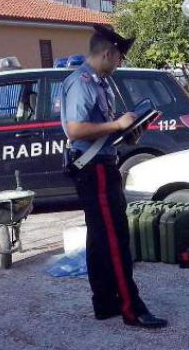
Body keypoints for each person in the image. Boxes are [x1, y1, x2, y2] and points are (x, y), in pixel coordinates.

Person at [60, 25, 167, 329]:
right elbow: (76, 130)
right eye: (120, 56)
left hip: (102, 164)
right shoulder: (81, 83)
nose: (121, 62)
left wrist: (130, 131)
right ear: (107, 53)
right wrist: (117, 124)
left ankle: (105, 303)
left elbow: (101, 130)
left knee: (98, 239)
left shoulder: (101, 82)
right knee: (114, 240)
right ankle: (132, 309)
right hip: (93, 171)